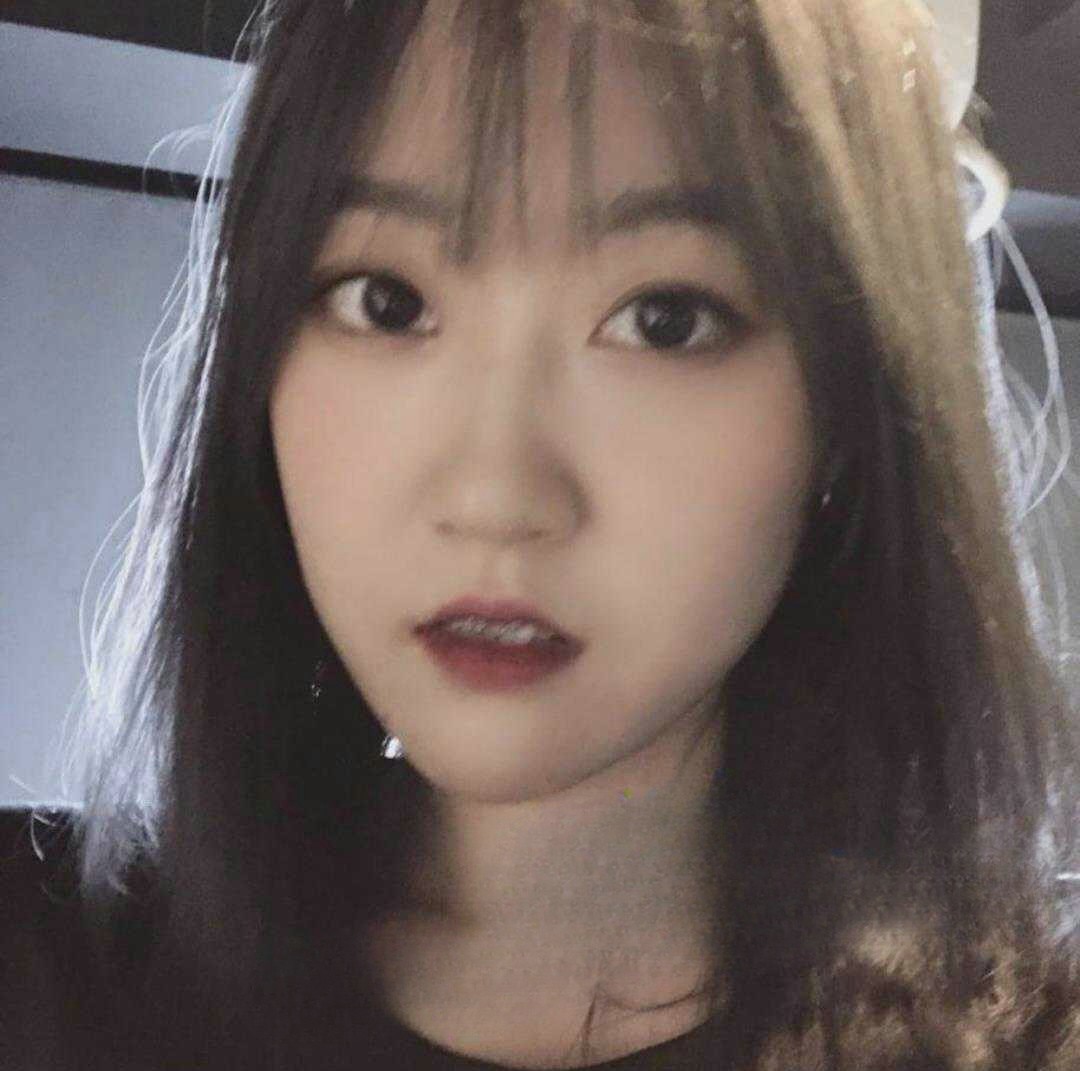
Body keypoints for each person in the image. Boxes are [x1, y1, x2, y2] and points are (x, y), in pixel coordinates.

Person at [3, 1, 1080, 1068]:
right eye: (386, 301)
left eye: (664, 319)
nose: (496, 496)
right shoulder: (44, 973)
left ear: (853, 407)